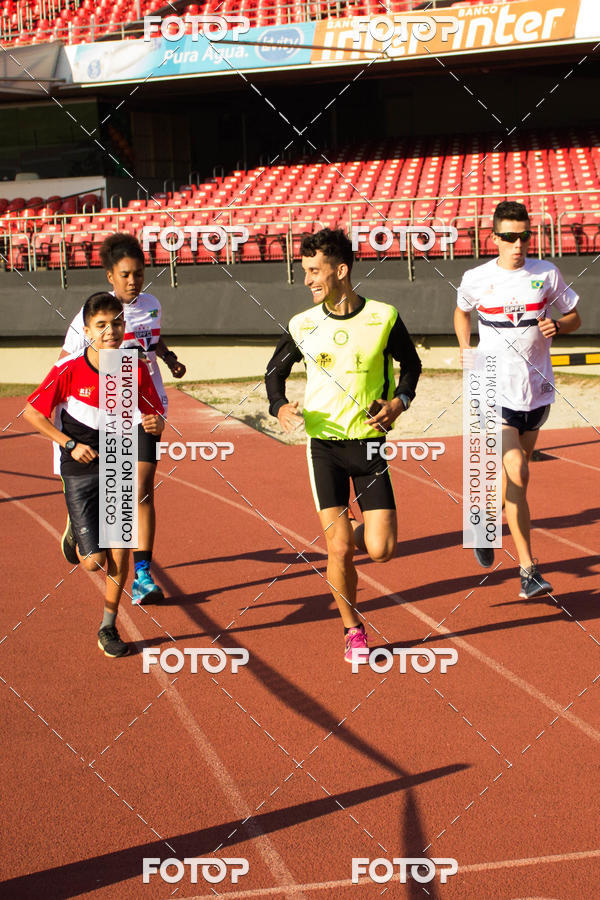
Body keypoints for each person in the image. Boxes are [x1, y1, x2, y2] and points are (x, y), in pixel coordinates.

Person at [265, 228, 422, 663]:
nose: (308, 280)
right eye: (305, 272)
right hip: (325, 449)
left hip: (370, 448)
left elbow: (411, 363)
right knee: (337, 549)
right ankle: (353, 630)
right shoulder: (303, 324)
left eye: (314, 271)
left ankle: (353, 533)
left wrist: (399, 402)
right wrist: (279, 406)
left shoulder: (384, 317)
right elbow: (273, 374)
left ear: (341, 270)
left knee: (381, 550)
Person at [24, 292, 165, 657]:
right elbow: (32, 413)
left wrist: (155, 422)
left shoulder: (133, 367)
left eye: (117, 323)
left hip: (117, 458)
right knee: (92, 562)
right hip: (78, 462)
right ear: (87, 330)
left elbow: (154, 415)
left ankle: (108, 625)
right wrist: (68, 444)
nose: (111, 331)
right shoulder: (68, 369)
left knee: (119, 545)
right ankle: (77, 534)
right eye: (101, 325)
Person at [454, 200, 581, 598]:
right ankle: (528, 569)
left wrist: (559, 324)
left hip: (537, 390)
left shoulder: (546, 273)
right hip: (493, 389)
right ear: (494, 238)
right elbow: (461, 313)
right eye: (509, 236)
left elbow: (576, 315)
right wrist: (466, 350)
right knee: (518, 472)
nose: (518, 243)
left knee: (517, 474)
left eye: (524, 236)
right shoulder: (476, 278)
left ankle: (483, 521)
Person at [58, 233, 186, 605]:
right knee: (117, 493)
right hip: (107, 411)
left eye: (140, 274)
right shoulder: (95, 315)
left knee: (141, 486)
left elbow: (151, 341)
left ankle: (143, 574)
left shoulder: (151, 305)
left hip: (146, 407)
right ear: (110, 276)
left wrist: (169, 356)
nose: (134, 282)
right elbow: (66, 363)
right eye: (126, 275)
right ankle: (84, 524)